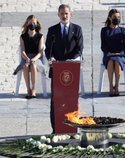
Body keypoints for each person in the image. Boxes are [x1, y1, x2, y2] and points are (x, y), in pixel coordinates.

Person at [45, 4, 83, 133]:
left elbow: (79, 49)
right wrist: (51, 59)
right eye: (62, 13)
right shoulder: (52, 30)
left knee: (70, 100)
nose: (64, 16)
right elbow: (48, 49)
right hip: (57, 70)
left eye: (66, 13)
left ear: (70, 14)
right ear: (58, 14)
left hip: (71, 70)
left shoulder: (77, 29)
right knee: (56, 100)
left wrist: (70, 61)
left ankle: (71, 127)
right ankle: (55, 128)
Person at [13, 15, 45, 99]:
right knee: (26, 66)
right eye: (30, 22)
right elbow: (22, 50)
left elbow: (40, 52)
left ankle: (33, 89)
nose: (32, 24)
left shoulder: (40, 36)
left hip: (36, 58)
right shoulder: (23, 36)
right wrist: (27, 58)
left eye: (34, 23)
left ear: (36, 24)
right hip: (26, 57)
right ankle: (28, 89)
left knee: (33, 65)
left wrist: (33, 59)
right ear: (27, 23)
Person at [100, 9, 125, 97]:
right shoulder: (104, 30)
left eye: (119, 17)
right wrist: (109, 53)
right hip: (109, 55)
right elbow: (103, 45)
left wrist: (120, 53)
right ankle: (111, 86)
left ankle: (117, 86)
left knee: (117, 62)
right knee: (111, 61)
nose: (117, 19)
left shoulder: (122, 30)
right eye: (115, 17)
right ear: (110, 18)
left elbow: (124, 46)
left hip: (120, 55)